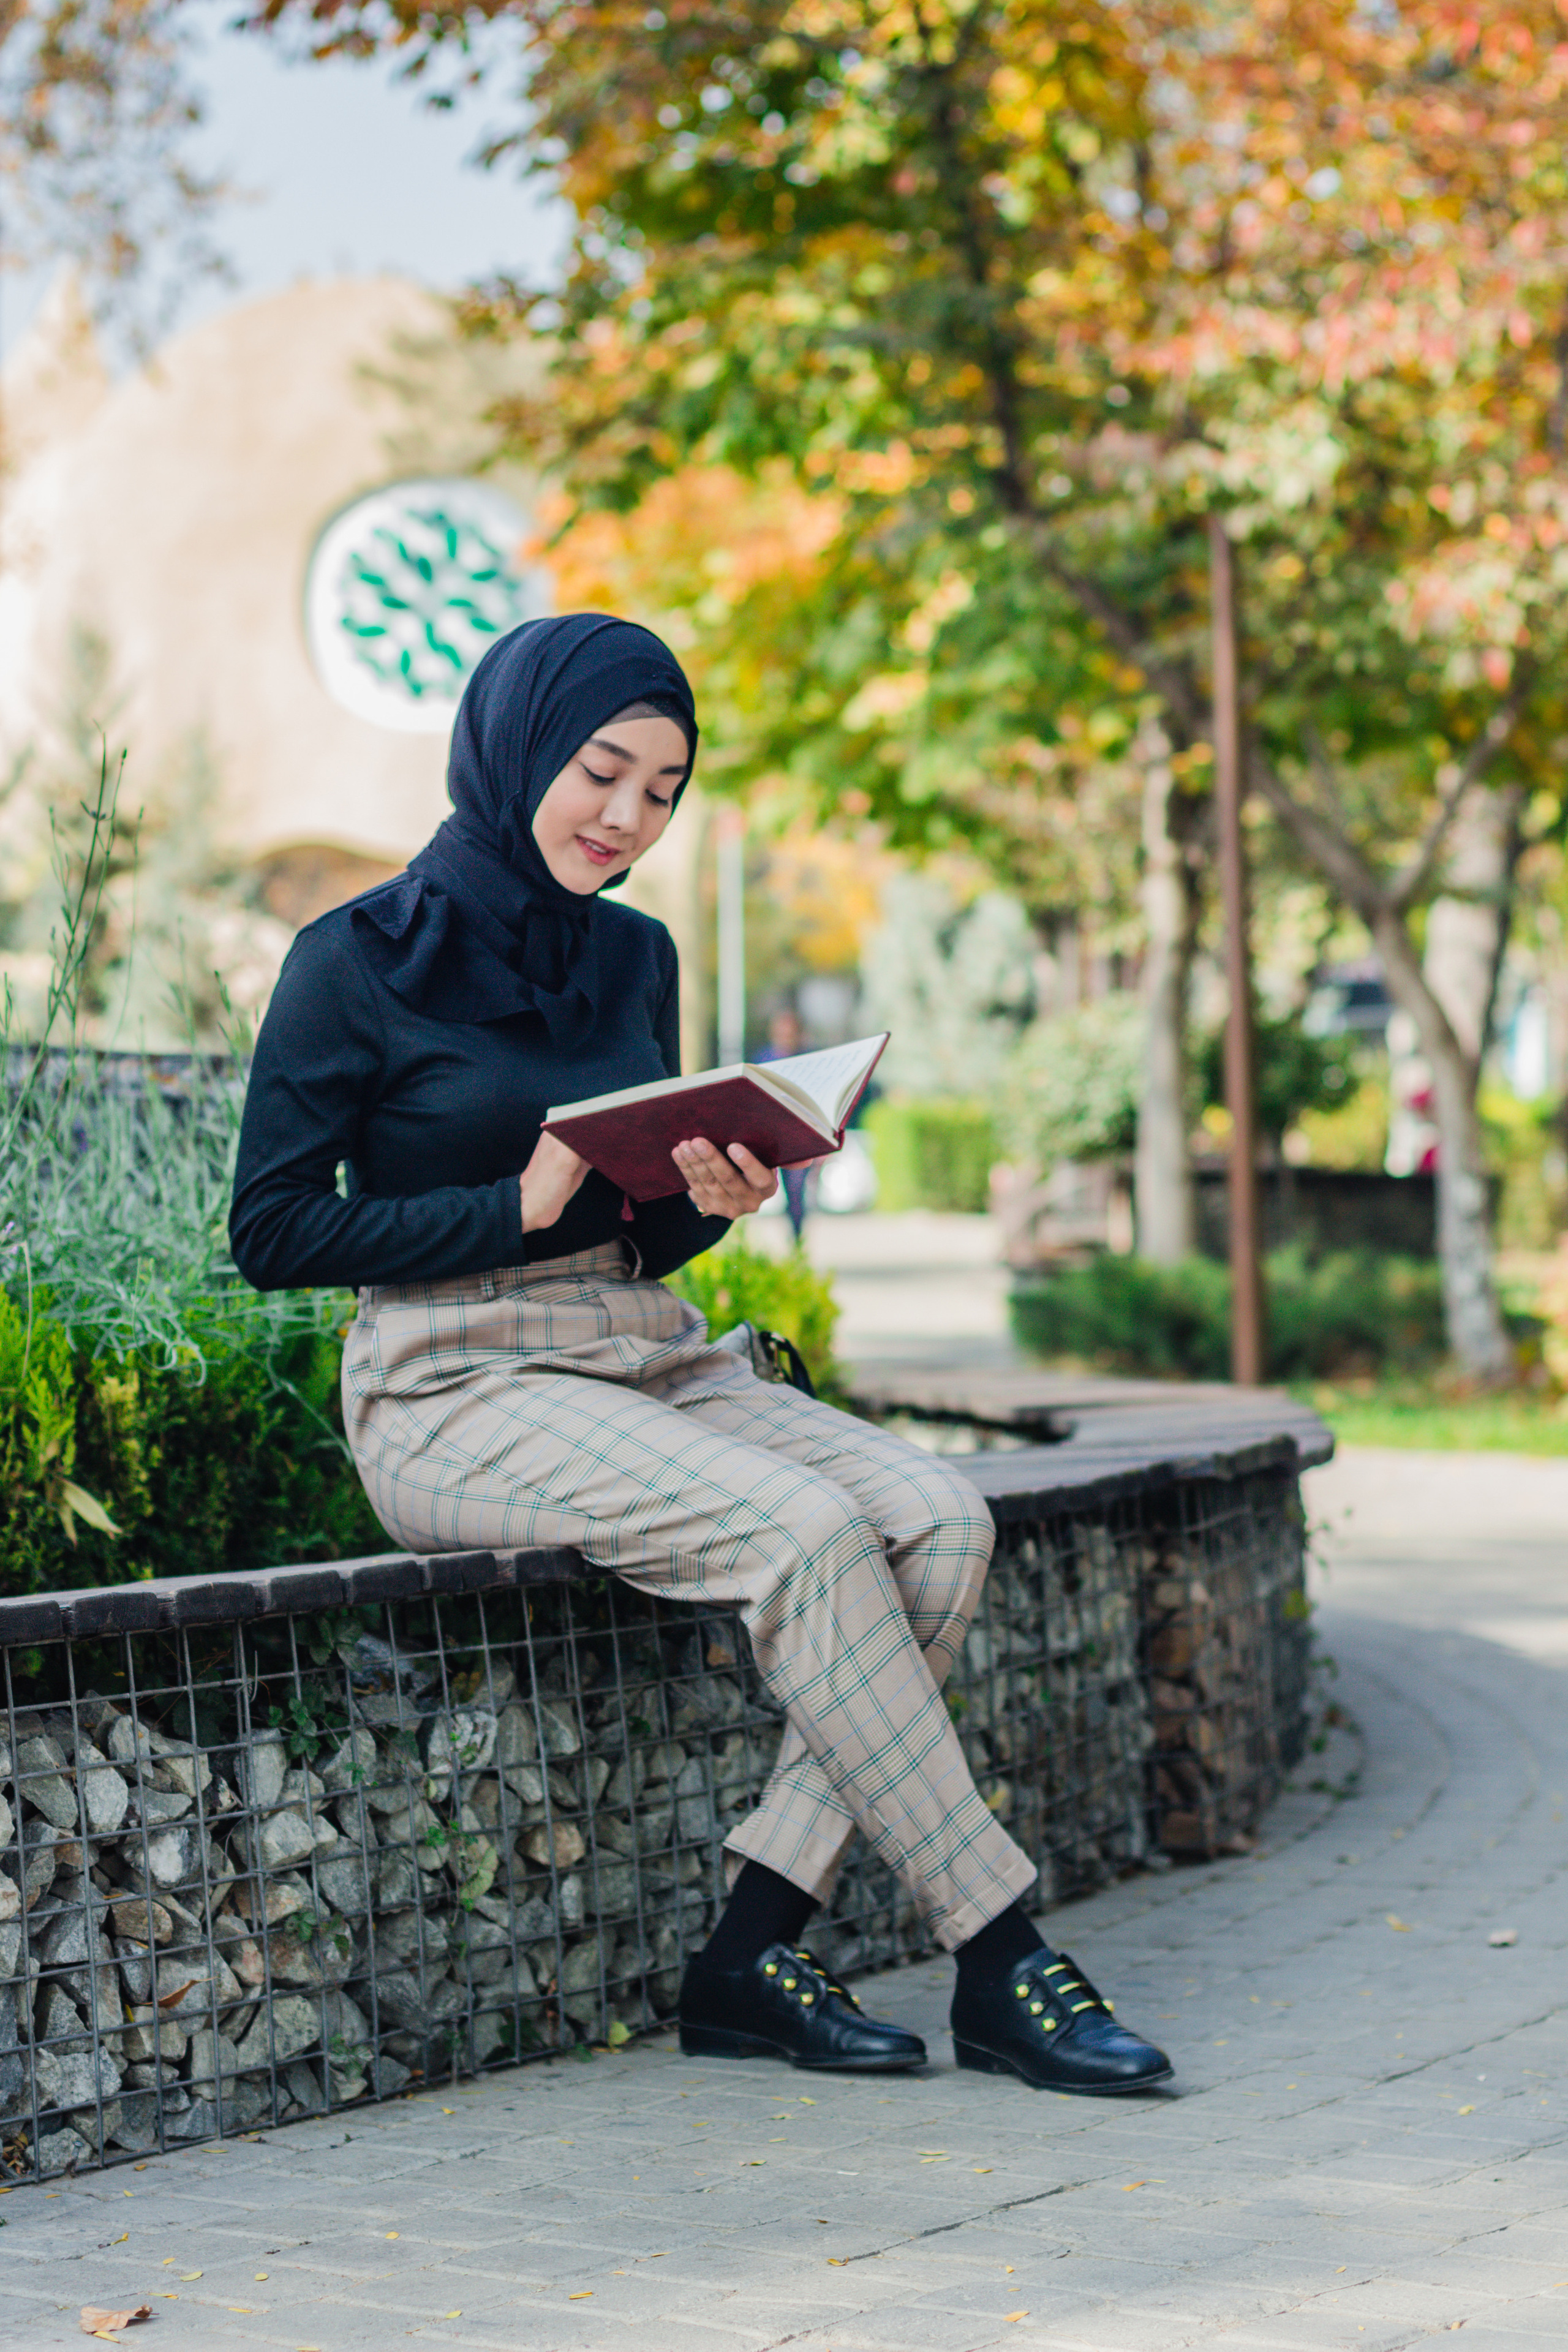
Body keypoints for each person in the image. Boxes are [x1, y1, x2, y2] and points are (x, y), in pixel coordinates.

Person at [230, 614, 1170, 2095]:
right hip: (447, 1384)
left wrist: (705, 1203)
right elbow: (271, 1229)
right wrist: (504, 1203)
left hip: (636, 1343)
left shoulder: (634, 954)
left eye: (663, 789)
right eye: (601, 770)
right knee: (801, 1532)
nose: (626, 817)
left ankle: (748, 1950)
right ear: (517, 747)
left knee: (937, 1517)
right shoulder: (353, 960)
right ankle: (999, 1951)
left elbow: (637, 1226)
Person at [753, 1004, 816, 1242]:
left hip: (800, 1135)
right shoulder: (763, 1059)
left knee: (797, 1189)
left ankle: (796, 1235)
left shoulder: (807, 1059)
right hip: (770, 1135)